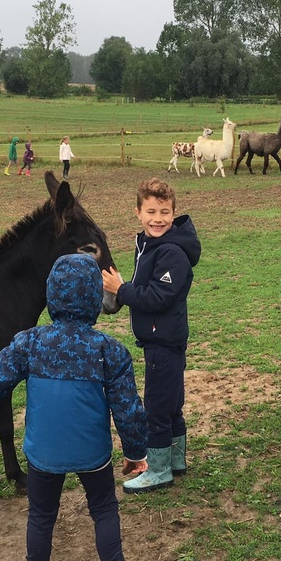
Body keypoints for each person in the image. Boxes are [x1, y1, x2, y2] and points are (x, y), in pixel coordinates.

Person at [0, 254, 151, 561]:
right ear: (93, 299)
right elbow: (129, 410)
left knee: (41, 515)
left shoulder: (29, 342)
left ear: (50, 294)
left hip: (43, 452)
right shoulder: (109, 350)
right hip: (93, 451)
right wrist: (135, 453)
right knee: (103, 509)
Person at [101, 178, 201, 493]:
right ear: (138, 212)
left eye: (164, 212)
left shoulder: (171, 251)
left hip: (164, 340)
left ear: (174, 213)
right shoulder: (148, 244)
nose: (157, 219)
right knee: (170, 403)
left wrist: (121, 289)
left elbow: (158, 297)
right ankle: (175, 460)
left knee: (158, 405)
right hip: (160, 338)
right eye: (151, 211)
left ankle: (158, 470)